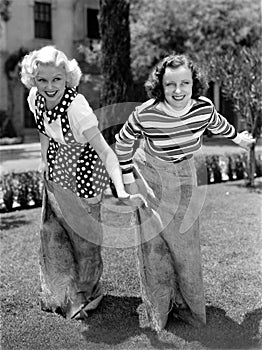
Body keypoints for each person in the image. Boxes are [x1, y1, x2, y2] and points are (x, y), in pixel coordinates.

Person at [115, 53, 255, 331]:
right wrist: (129, 178)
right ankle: (161, 309)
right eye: (170, 85)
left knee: (186, 244)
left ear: (194, 84)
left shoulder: (202, 108)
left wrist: (239, 138)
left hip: (184, 176)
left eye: (185, 83)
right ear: (160, 86)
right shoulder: (146, 113)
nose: (178, 91)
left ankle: (189, 308)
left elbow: (219, 123)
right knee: (154, 244)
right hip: (151, 173)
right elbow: (122, 143)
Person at [20, 45, 144, 320]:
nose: (49, 87)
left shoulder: (77, 109)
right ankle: (63, 294)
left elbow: (106, 152)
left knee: (85, 243)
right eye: (42, 80)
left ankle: (86, 293)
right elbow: (43, 129)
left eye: (57, 80)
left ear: (67, 78)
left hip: (85, 177)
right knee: (52, 237)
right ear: (33, 80)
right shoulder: (34, 98)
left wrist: (121, 189)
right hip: (57, 172)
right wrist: (44, 160)